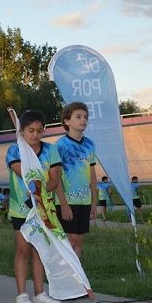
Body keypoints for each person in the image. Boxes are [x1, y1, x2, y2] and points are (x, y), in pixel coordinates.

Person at [5, 108, 62, 303]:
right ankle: (21, 295)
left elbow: (54, 179)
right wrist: (36, 189)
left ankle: (39, 293)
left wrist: (44, 192)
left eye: (39, 130)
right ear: (22, 132)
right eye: (30, 130)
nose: (35, 135)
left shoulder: (51, 150)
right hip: (22, 210)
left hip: (44, 209)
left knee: (40, 250)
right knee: (23, 250)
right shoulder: (14, 151)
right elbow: (25, 173)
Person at [54, 102, 97, 258]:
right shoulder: (60, 145)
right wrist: (63, 204)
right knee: (71, 240)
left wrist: (94, 202)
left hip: (84, 201)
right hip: (67, 202)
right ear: (67, 121)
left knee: (78, 241)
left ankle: (77, 278)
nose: (83, 120)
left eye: (85, 117)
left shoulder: (90, 145)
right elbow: (56, 177)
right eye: (78, 116)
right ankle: (67, 278)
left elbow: (92, 174)